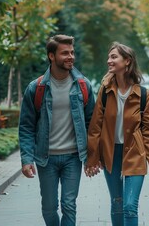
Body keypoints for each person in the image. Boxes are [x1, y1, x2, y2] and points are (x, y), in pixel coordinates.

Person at [19, 34, 95, 226]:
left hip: (73, 157)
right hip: (46, 158)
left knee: (69, 204)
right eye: (65, 53)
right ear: (51, 56)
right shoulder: (36, 88)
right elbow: (26, 127)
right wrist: (27, 159)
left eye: (72, 52)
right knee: (49, 207)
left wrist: (91, 157)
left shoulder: (83, 86)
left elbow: (92, 124)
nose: (70, 57)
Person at [85, 42, 149, 226]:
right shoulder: (105, 91)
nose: (108, 61)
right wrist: (93, 158)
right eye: (109, 57)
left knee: (129, 205)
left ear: (127, 61)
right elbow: (96, 127)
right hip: (111, 154)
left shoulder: (143, 95)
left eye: (113, 57)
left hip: (135, 153)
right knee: (117, 203)